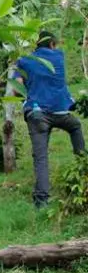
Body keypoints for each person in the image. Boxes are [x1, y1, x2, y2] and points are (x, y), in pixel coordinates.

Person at [13, 30, 85, 208]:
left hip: (37, 115)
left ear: (36, 44)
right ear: (53, 44)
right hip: (61, 112)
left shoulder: (24, 61)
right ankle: (83, 169)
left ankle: (42, 200)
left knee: (41, 157)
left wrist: (28, 97)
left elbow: (16, 89)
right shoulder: (59, 57)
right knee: (75, 127)